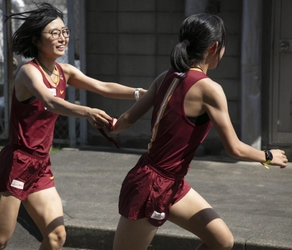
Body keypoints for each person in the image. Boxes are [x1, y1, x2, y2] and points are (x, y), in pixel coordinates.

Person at [0, 3, 146, 250]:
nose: (63, 38)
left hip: (40, 165)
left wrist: (143, 93)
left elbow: (102, 87)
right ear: (37, 40)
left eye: (64, 31)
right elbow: (50, 101)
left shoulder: (64, 71)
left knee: (56, 236)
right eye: (54, 33)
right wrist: (86, 111)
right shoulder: (28, 72)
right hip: (17, 163)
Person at [110, 13, 288, 250]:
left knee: (221, 241)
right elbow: (234, 148)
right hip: (150, 185)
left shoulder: (166, 77)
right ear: (215, 47)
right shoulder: (209, 89)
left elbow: (124, 121)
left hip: (172, 183)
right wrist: (268, 156)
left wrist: (107, 123)